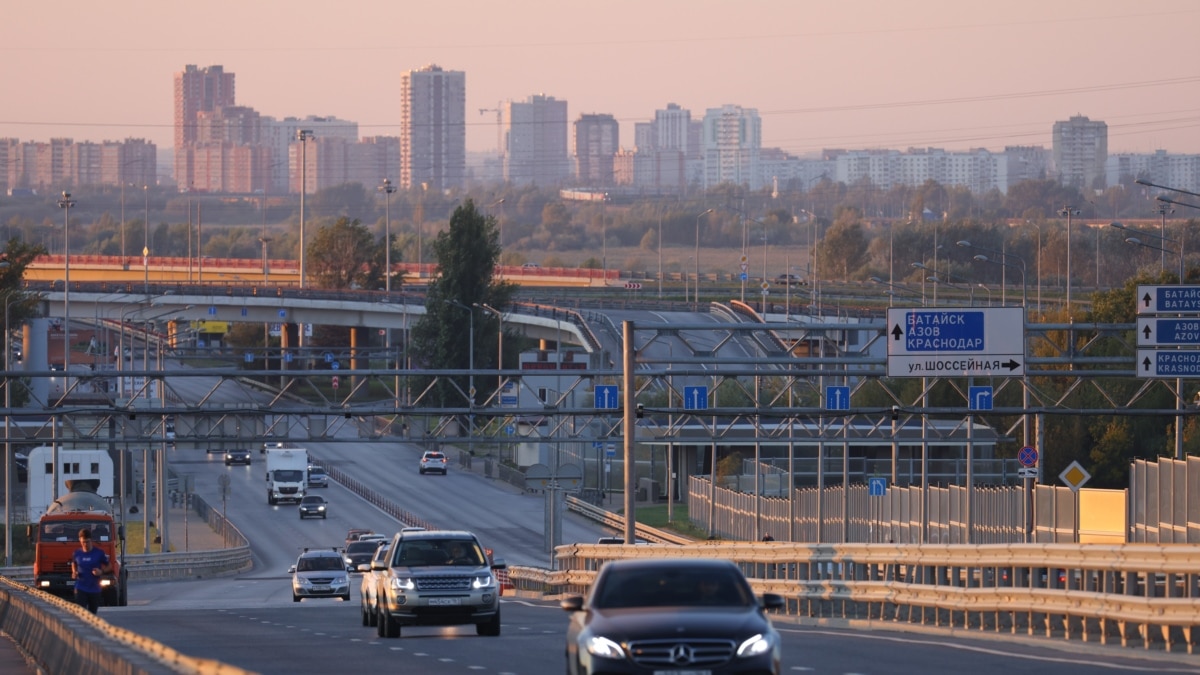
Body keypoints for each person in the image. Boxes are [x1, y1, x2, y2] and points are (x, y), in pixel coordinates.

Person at [71, 529, 111, 614]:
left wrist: (101, 571)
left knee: (92, 614)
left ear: (91, 540)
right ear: (80, 541)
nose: (85, 544)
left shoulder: (99, 553)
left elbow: (109, 565)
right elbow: (73, 563)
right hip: (80, 587)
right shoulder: (77, 553)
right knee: (80, 613)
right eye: (83, 542)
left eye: (87, 542)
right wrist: (74, 572)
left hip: (94, 589)